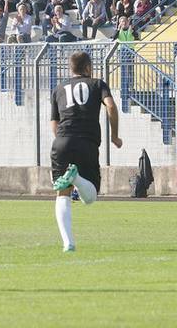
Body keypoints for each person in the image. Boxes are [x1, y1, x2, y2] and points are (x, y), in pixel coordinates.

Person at [51, 51, 123, 252]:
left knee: (61, 194)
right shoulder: (97, 84)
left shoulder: (58, 89)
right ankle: (76, 178)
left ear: (70, 68)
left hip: (61, 142)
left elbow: (54, 122)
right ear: (88, 68)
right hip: (87, 143)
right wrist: (115, 136)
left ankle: (68, 243)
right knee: (90, 197)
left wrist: (63, 141)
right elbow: (111, 106)